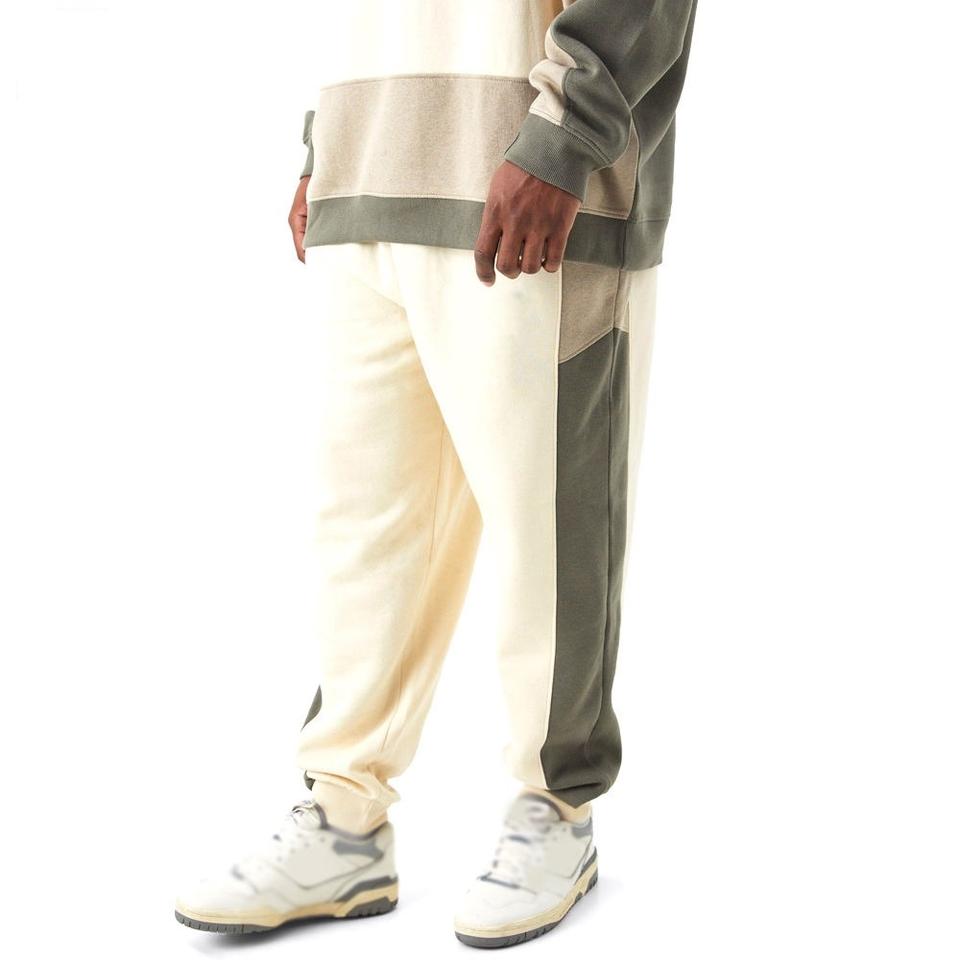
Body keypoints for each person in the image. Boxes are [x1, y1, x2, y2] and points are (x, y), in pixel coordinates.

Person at [174, 0, 698, 947]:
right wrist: (327, 143)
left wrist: (565, 136)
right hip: (367, 175)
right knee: (363, 530)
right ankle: (344, 819)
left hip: (530, 182)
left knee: (550, 522)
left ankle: (556, 810)